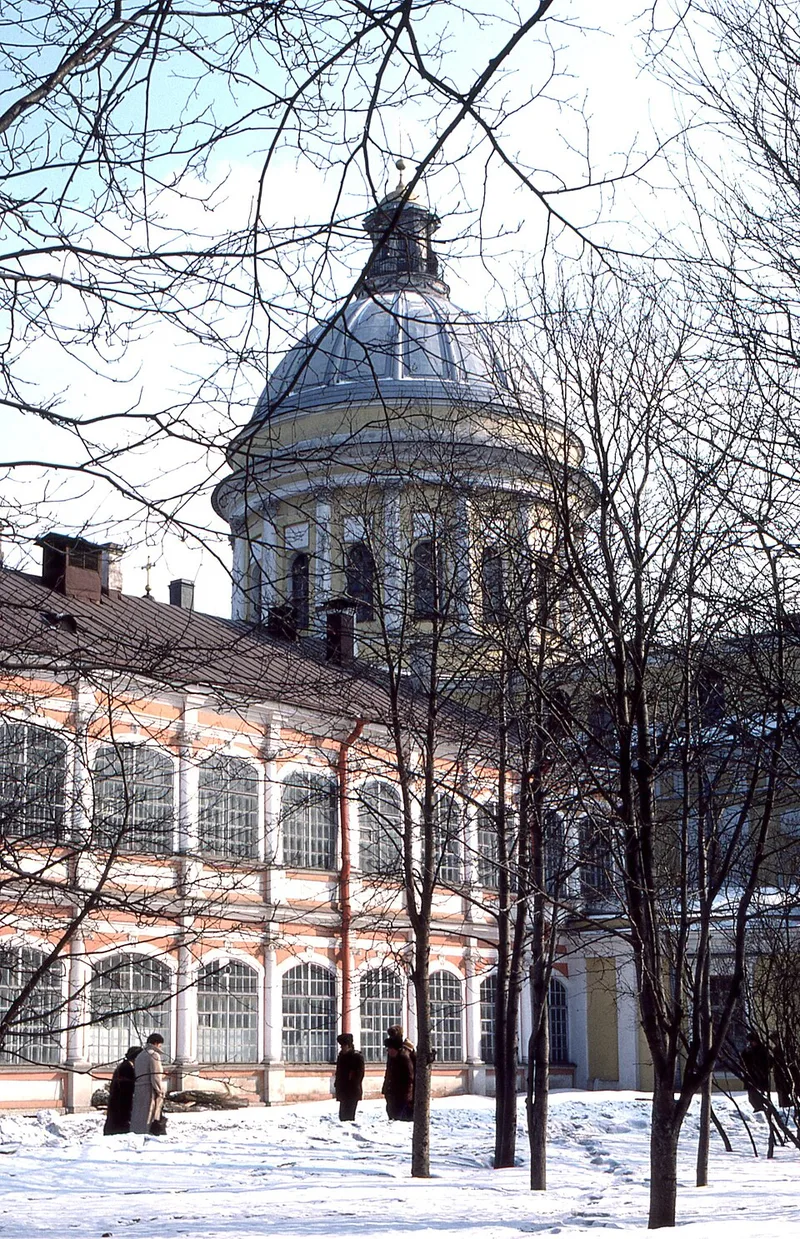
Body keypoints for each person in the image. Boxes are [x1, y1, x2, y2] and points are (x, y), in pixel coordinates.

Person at [130, 1032, 167, 1135]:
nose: (161, 1047)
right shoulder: (154, 1055)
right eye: (160, 1044)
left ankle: (136, 1133)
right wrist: (160, 1091)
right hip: (150, 1089)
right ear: (156, 1043)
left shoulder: (140, 1055)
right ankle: (149, 1134)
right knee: (149, 1116)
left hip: (139, 1088)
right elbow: (156, 1075)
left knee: (139, 1115)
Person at [103, 1045, 142, 1135]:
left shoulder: (124, 1066)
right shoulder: (126, 1068)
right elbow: (127, 1088)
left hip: (118, 1103)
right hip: (121, 1104)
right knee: (118, 1126)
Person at [381, 1025, 414, 1121]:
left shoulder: (404, 1056)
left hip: (401, 1095)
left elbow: (410, 1077)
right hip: (392, 1093)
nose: (388, 1051)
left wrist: (408, 1096)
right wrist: (386, 1089)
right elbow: (389, 1073)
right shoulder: (392, 1057)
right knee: (392, 1116)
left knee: (400, 1119)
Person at [334, 1032, 365, 1121]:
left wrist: (352, 1081)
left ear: (348, 1046)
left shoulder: (356, 1057)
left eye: (343, 1045)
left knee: (349, 1115)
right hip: (343, 1090)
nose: (342, 1048)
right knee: (342, 1115)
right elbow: (339, 1072)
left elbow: (360, 1074)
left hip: (352, 1090)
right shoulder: (341, 1057)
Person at [741, 1030, 771, 1112]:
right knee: (751, 1096)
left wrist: (763, 1071)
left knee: (759, 1093)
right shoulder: (748, 1051)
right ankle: (758, 1107)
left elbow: (768, 1062)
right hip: (750, 1076)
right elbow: (743, 1061)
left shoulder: (762, 1050)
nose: (751, 1043)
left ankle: (761, 1107)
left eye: (752, 1041)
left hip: (760, 1076)